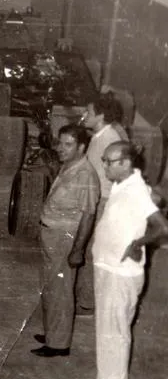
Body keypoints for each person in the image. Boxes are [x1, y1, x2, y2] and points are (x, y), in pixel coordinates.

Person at [80, 141, 168, 379]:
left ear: (126, 164)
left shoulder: (137, 191)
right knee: (107, 332)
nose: (103, 165)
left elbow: (162, 227)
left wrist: (137, 244)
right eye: (104, 160)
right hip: (108, 268)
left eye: (109, 161)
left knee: (114, 334)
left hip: (120, 274)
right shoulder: (123, 185)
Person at [32, 124, 99, 357]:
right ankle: (53, 332)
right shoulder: (69, 166)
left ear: (82, 147)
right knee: (51, 287)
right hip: (52, 235)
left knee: (60, 290)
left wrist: (78, 249)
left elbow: (88, 215)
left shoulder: (85, 175)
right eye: (60, 143)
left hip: (65, 239)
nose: (61, 148)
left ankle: (58, 344)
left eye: (68, 144)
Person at [74, 93, 129, 314]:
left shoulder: (109, 140)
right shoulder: (99, 136)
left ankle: (88, 304)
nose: (84, 114)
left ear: (101, 116)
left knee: (93, 253)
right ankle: (85, 299)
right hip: (99, 199)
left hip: (105, 202)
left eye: (89, 111)